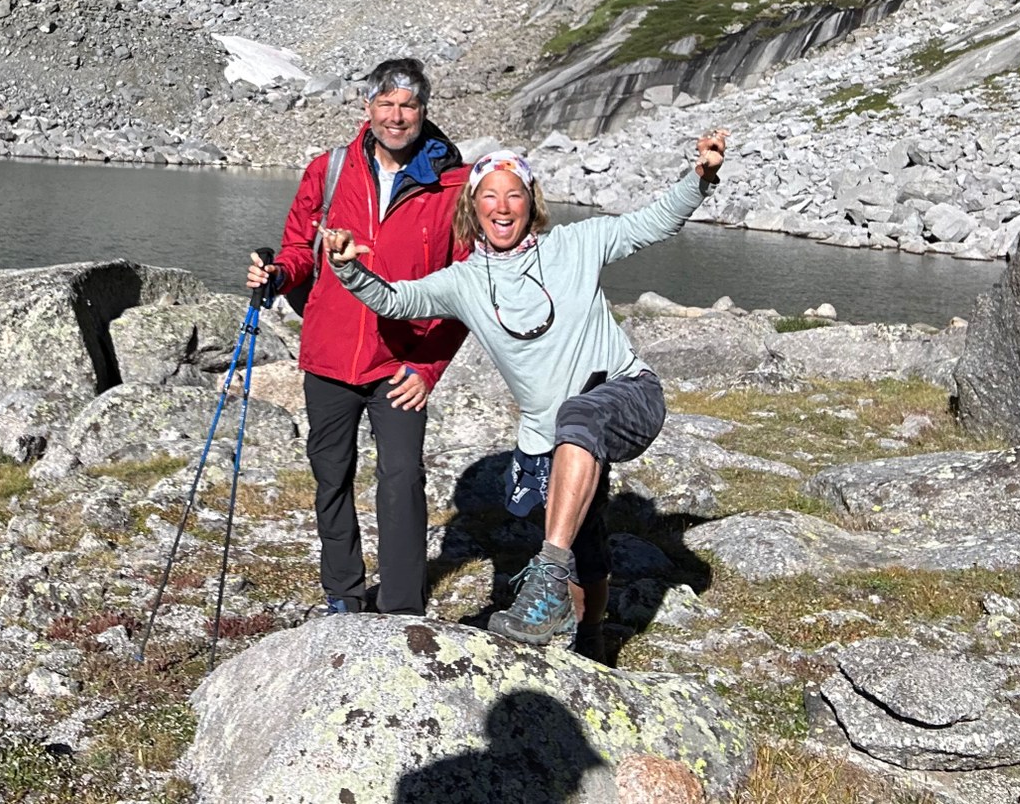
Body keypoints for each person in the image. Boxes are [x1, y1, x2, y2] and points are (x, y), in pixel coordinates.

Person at [324, 131, 728, 650]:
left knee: (578, 422)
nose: (502, 206)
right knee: (580, 532)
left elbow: (654, 221)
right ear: (473, 208)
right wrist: (348, 268)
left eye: (514, 194)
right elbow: (396, 300)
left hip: (628, 393)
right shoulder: (465, 281)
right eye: (489, 195)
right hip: (550, 434)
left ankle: (547, 576)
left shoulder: (577, 244)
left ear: (531, 203)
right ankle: (590, 638)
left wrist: (701, 177)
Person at [245, 57, 469, 617]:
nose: (396, 116)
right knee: (331, 477)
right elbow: (299, 251)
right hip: (329, 354)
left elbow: (467, 286)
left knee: (401, 478)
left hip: (402, 362)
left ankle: (400, 607)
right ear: (367, 108)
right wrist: (277, 276)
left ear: (424, 111)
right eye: (385, 104)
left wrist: (428, 368)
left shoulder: (453, 184)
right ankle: (343, 593)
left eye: (408, 105)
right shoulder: (329, 170)